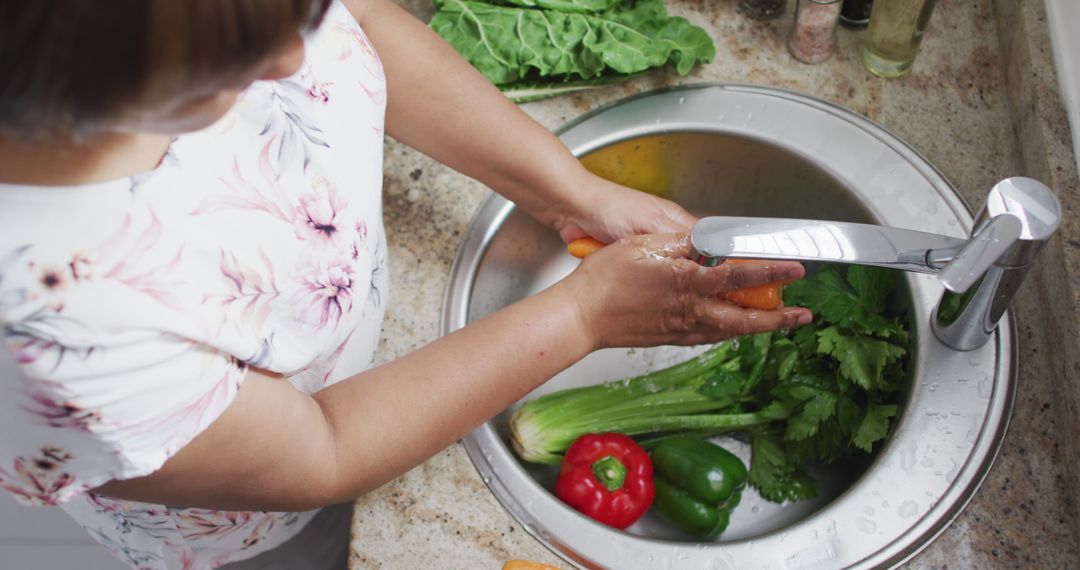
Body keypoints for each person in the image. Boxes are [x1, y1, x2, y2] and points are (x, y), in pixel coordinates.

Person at [0, 1, 812, 568]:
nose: (293, 55)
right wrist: (584, 314)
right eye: (236, 65)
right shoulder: (50, 336)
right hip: (252, 517)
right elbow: (321, 451)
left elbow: (370, 31)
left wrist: (570, 191)